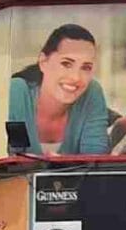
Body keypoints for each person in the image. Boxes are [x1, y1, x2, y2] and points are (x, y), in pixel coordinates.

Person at [7, 24, 109, 155]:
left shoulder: (91, 92)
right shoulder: (18, 92)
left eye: (86, 67)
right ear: (43, 61)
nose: (75, 77)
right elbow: (13, 159)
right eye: (66, 64)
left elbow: (95, 160)